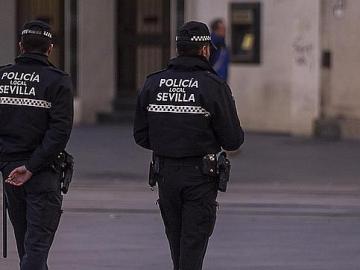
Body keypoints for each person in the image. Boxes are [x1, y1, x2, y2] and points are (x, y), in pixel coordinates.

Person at [134, 21, 244, 270]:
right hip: (200, 176)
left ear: (178, 48)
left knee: (177, 247)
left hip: (165, 173)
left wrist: (169, 143)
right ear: (205, 50)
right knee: (193, 248)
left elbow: (140, 135)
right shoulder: (213, 86)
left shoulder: (154, 83)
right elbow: (233, 140)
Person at [0, 20, 73, 270]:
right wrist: (31, 167)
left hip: (10, 171)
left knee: (27, 248)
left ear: (21, 46)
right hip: (42, 171)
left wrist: (6, 162)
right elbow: (59, 132)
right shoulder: (58, 80)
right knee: (36, 248)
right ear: (50, 48)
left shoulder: (2, 77)